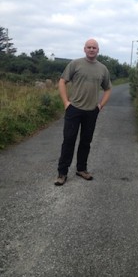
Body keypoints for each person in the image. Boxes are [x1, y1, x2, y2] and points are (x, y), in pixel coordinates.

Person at [54, 39, 112, 186]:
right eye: (89, 47)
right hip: (74, 109)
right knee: (69, 140)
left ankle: (81, 169)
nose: (91, 49)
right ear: (84, 49)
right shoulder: (75, 64)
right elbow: (62, 81)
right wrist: (66, 103)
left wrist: (100, 106)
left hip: (92, 111)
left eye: (94, 47)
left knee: (86, 141)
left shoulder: (103, 69)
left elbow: (108, 89)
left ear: (98, 50)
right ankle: (62, 173)